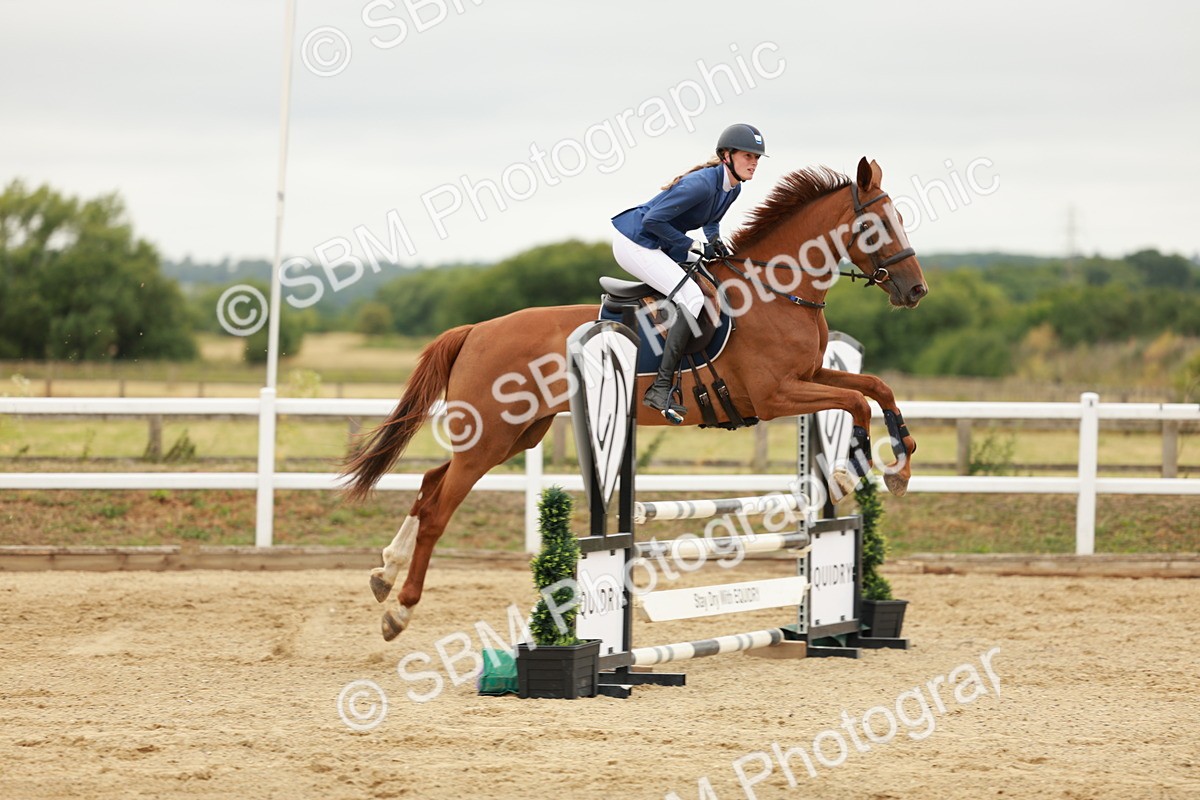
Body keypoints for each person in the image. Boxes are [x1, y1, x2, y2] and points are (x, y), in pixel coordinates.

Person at [611, 123, 766, 423]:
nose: (754, 163)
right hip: (636, 243)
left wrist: (714, 241)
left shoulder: (732, 188)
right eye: (749, 156)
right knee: (693, 298)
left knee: (711, 286)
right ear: (726, 156)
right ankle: (659, 387)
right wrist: (692, 245)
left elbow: (711, 220)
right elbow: (653, 221)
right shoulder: (701, 184)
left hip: (659, 244)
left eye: (758, 158)